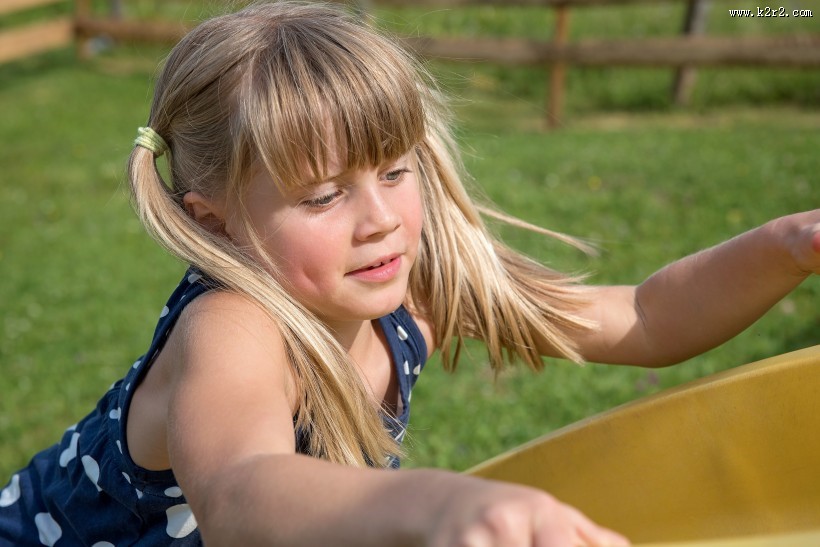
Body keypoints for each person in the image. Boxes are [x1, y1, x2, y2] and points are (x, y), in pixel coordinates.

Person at [1, 1, 818, 545]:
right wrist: (438, 501)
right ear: (213, 216)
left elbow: (644, 316)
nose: (381, 218)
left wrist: (789, 244)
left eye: (396, 170)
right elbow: (244, 494)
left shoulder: (416, 285)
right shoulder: (232, 328)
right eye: (323, 195)